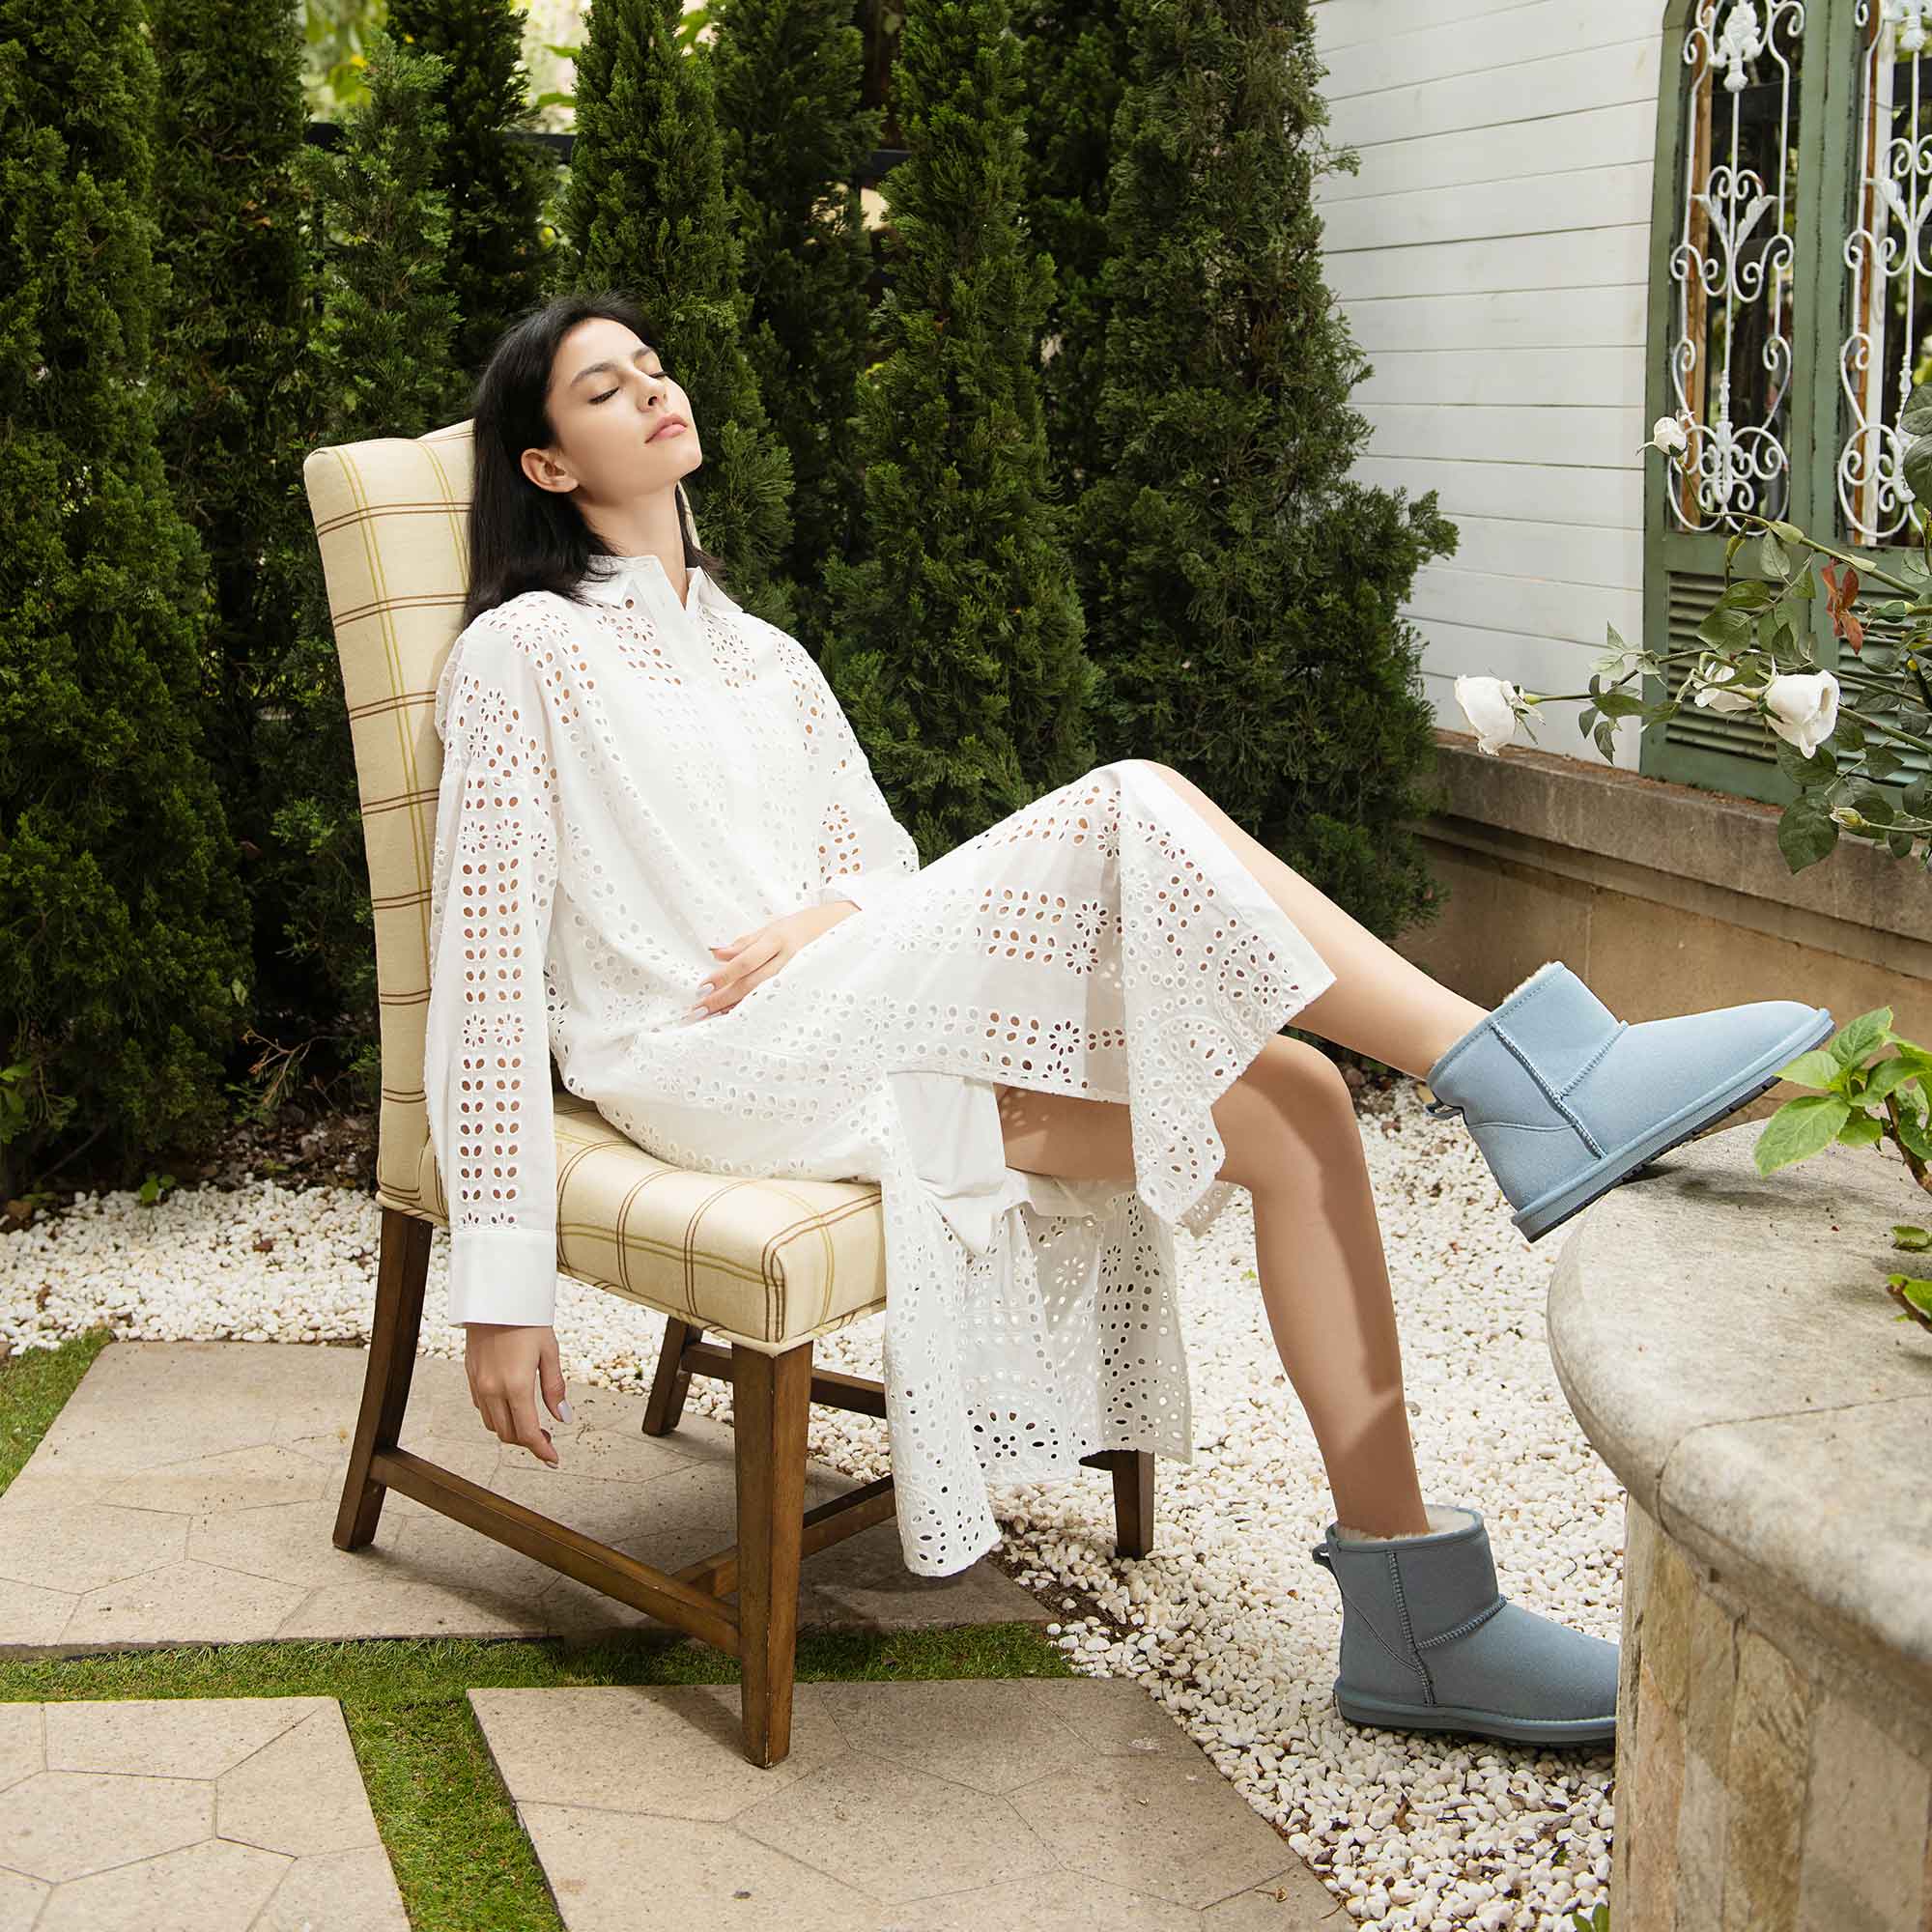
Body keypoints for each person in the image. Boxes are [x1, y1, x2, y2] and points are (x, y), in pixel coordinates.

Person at [425, 290, 1833, 1749]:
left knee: (1293, 1104)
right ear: (546, 467)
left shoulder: (765, 654)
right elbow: (481, 965)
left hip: (851, 1001)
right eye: (605, 388)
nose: (655, 389)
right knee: (1138, 798)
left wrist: (828, 914)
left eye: (654, 366)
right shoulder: (522, 653)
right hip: (710, 1058)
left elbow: (883, 862)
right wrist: (503, 1285)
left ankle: (1422, 1612)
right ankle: (1536, 1078)